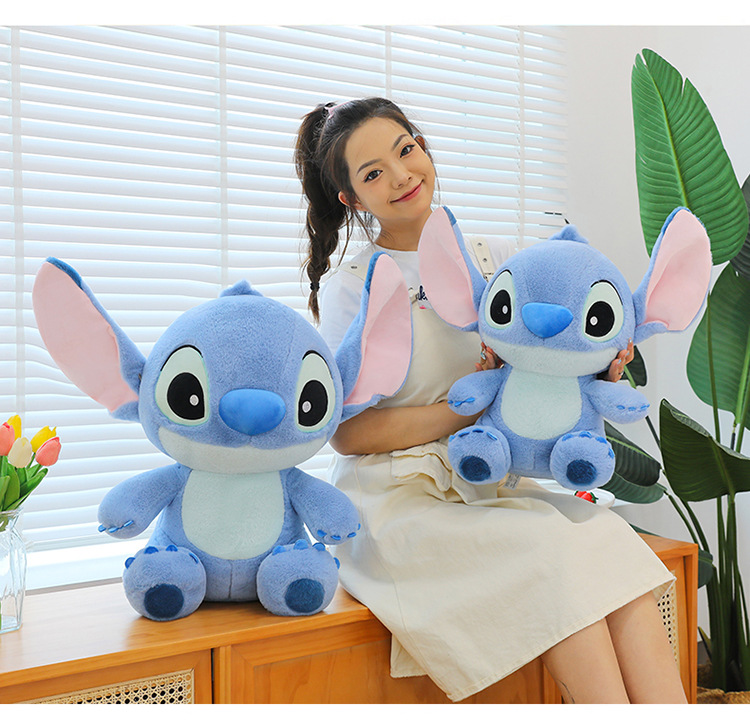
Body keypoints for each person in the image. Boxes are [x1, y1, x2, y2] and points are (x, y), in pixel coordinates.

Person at [294, 97, 687, 704]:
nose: (401, 175)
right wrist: (470, 408)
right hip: (396, 499)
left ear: (423, 147)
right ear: (352, 199)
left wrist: (596, 365)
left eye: (406, 150)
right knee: (555, 558)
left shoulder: (493, 259)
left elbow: (545, 359)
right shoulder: (353, 285)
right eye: (373, 173)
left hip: (488, 479)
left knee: (611, 543)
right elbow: (347, 435)